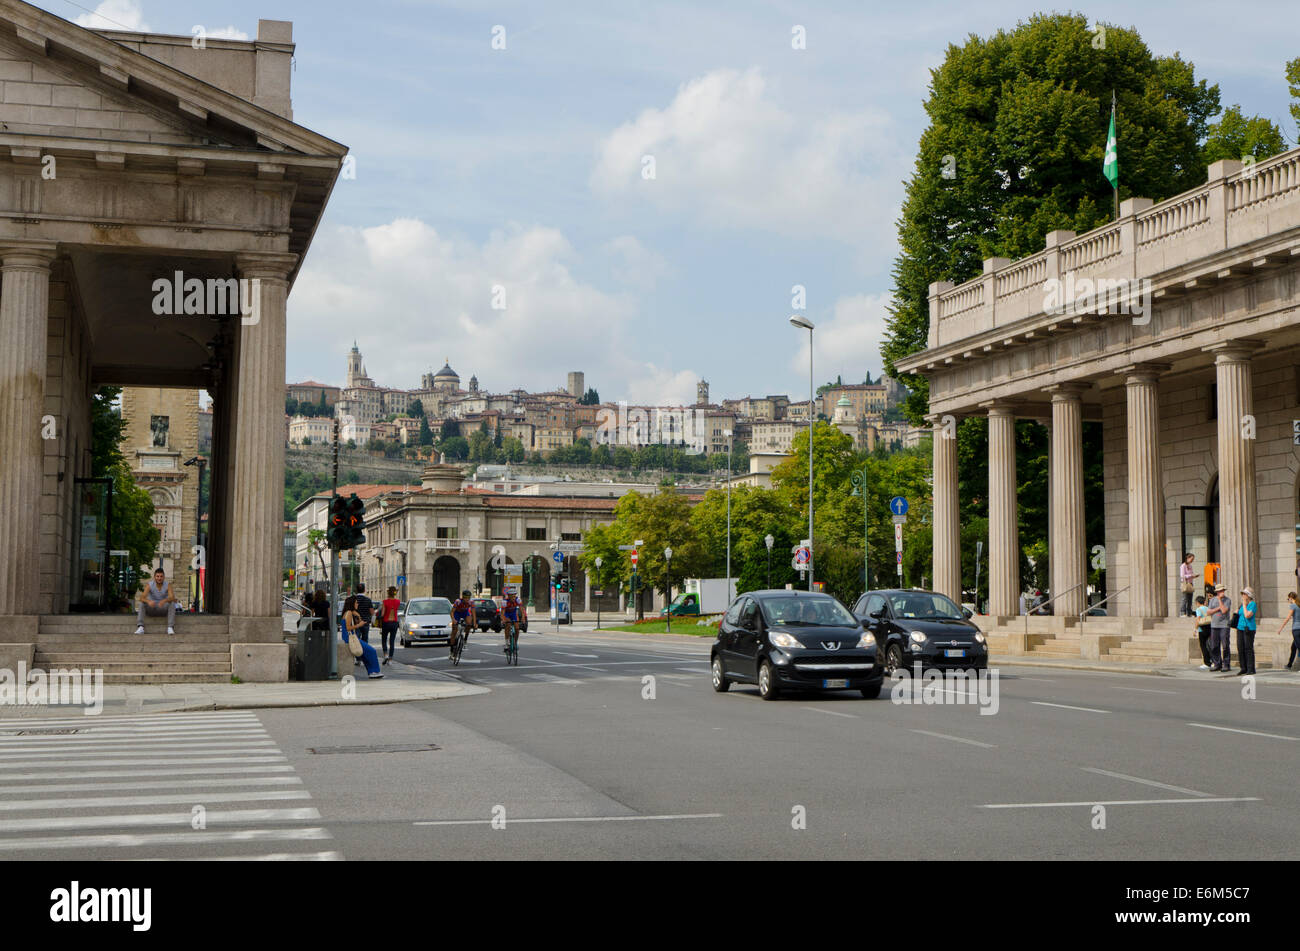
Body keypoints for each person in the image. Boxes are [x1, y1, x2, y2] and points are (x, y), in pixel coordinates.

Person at [341, 595, 382, 679]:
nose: (357, 604)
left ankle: (372, 671)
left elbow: (357, 621)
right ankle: (375, 671)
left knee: (364, 654)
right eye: (356, 603)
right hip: (350, 637)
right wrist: (359, 625)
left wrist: (357, 615)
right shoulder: (348, 613)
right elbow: (348, 627)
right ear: (352, 603)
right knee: (371, 651)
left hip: (350, 637)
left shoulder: (350, 612)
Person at [135, 568, 177, 635]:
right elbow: (141, 598)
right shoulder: (150, 585)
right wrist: (148, 601)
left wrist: (164, 600)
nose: (159, 578)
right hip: (152, 608)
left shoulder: (168, 585)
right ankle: (140, 627)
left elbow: (172, 597)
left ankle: (170, 627)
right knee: (142, 603)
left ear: (164, 577)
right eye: (157, 576)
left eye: (161, 576)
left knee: (172, 603)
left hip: (163, 609)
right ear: (154, 577)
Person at [1207, 583, 1231, 672]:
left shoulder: (1227, 600)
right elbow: (1208, 612)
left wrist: (1220, 600)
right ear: (1217, 592)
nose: (1222, 592)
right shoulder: (1212, 600)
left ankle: (1226, 664)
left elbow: (1224, 610)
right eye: (1220, 591)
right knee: (1214, 646)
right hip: (1214, 625)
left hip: (1224, 625)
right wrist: (1217, 609)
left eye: (1223, 590)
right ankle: (1217, 663)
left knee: (1225, 645)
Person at [1237, 586, 1257, 676]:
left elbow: (1247, 615)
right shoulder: (1242, 605)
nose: (1243, 595)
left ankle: (1250, 668)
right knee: (1240, 648)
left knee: (1248, 648)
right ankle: (1243, 667)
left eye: (1245, 594)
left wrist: (1245, 605)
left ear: (1249, 595)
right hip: (1240, 628)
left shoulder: (1252, 604)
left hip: (1249, 628)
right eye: (1243, 594)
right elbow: (1239, 613)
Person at [1277, 592, 1300, 670]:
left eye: (1288, 599)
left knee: (1299, 647)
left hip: (1296, 630)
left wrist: (1280, 628)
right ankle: (1289, 665)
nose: (1288, 601)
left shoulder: (1293, 606)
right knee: (1293, 647)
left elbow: (1287, 618)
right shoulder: (1299, 605)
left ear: (1290, 598)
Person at [380, 586, 401, 665]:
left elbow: (382, 614)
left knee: (384, 640)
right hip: (394, 623)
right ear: (395, 593)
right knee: (392, 641)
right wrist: (396, 592)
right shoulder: (398, 602)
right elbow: (395, 598)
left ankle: (385, 655)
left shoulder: (385, 602)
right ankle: (391, 659)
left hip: (386, 622)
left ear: (388, 593)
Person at [450, 590, 476, 657]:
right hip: (457, 614)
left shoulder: (471, 602)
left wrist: (475, 623)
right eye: (465, 598)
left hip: (465, 613)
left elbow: (473, 613)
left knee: (469, 623)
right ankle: (452, 650)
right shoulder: (458, 601)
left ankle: (465, 640)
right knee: (454, 631)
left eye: (468, 598)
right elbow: (452, 612)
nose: (467, 599)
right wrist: (453, 620)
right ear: (463, 597)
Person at [1193, 596, 1212, 669]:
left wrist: (1195, 629)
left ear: (1198, 602)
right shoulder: (1207, 608)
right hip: (1209, 627)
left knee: (1203, 646)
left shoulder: (1198, 609)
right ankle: (1212, 660)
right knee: (1209, 645)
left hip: (1202, 629)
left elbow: (1198, 619)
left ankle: (1207, 663)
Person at [1179, 552, 1196, 617]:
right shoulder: (1183, 566)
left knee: (1190, 599)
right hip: (1185, 583)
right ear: (1187, 558)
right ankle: (1182, 612)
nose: (1192, 560)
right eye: (1191, 559)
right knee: (1184, 598)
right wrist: (1191, 575)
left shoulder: (1190, 566)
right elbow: (1182, 576)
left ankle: (1189, 613)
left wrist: (1194, 576)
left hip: (1190, 583)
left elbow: (1189, 575)